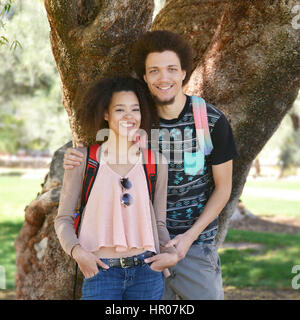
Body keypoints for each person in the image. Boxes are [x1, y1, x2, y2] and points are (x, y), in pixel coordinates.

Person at [63, 30, 238, 300]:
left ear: (183, 72)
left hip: (195, 247)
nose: (163, 78)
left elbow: (224, 189)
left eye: (171, 69)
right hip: (144, 250)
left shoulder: (210, 121)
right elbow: (103, 154)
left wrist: (188, 238)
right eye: (154, 71)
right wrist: (75, 157)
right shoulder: (137, 117)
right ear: (145, 77)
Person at [55, 76, 178, 300]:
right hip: (100, 272)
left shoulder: (156, 162)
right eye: (120, 109)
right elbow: (62, 218)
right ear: (105, 114)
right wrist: (78, 253)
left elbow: (159, 223)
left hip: (147, 273)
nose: (129, 116)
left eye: (135, 109)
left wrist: (171, 255)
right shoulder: (83, 159)